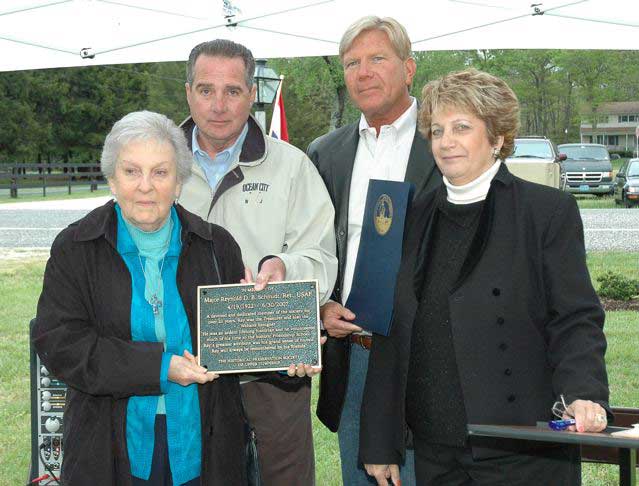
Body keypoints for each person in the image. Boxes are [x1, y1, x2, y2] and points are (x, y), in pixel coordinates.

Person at [360, 69, 611, 486]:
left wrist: (583, 394)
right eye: (437, 130)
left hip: (521, 444)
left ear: (496, 138)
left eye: (462, 127)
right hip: (436, 448)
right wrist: (379, 440)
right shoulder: (411, 216)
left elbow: (575, 317)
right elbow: (393, 330)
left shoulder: (547, 213)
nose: (446, 141)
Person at [32, 111, 250, 485]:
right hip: (109, 448)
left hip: (205, 447)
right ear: (112, 179)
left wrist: (285, 356)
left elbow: (237, 345)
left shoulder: (217, 246)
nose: (145, 186)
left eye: (160, 172)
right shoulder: (76, 248)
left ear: (179, 181)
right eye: (132, 171)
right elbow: (62, 344)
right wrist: (159, 367)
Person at [178, 39, 337, 486]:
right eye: (206, 89)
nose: (218, 104)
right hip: (181, 370)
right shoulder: (159, 164)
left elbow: (321, 257)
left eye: (232, 91)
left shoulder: (291, 167)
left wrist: (285, 267)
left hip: (270, 372)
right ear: (188, 91)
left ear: (252, 95)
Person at [307, 16, 441, 486]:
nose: (363, 72)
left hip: (430, 356)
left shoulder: (447, 143)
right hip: (357, 356)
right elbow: (311, 246)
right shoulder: (325, 153)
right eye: (352, 63)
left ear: (408, 68)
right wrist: (319, 305)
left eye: (377, 59)